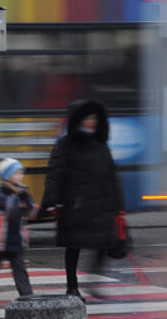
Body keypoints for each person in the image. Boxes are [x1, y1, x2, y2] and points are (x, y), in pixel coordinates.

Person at [40, 100, 125, 302]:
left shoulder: (100, 143)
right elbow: (55, 174)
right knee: (74, 246)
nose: (91, 122)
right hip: (76, 206)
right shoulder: (66, 144)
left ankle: (93, 279)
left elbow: (112, 175)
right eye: (87, 118)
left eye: (94, 118)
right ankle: (72, 287)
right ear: (78, 120)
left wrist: (119, 205)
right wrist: (49, 202)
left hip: (101, 206)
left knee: (107, 242)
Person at [0, 158, 37, 302]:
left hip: (16, 240)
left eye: (21, 173)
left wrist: (28, 201)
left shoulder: (23, 193)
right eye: (17, 173)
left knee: (20, 270)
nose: (21, 176)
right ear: (7, 176)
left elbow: (31, 213)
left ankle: (27, 296)